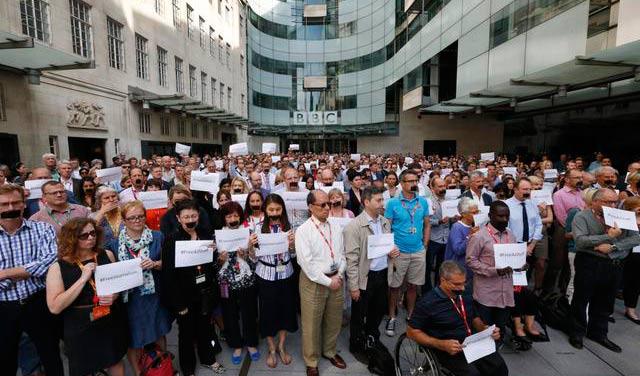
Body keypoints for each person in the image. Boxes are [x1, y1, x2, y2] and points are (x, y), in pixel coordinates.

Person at [45, 218, 127, 376]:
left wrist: (114, 296)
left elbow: (118, 285)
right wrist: (83, 278)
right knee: (83, 366)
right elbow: (55, 307)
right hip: (79, 324)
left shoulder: (107, 255)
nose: (91, 238)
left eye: (93, 233)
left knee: (115, 360)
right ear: (72, 238)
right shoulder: (58, 267)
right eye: (84, 235)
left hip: (109, 317)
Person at [0, 184, 64, 376]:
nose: (10, 208)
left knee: (50, 355)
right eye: (4, 204)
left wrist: (4, 274)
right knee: (5, 358)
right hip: (3, 306)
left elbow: (49, 263)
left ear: (23, 204)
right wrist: (28, 270)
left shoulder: (42, 229)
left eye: (15, 202)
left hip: (37, 301)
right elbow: (38, 267)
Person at [568, 188, 640, 352]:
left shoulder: (622, 216)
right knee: (581, 298)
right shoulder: (582, 216)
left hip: (613, 265)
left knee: (605, 301)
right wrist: (609, 236)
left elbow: (636, 238)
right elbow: (580, 241)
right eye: (607, 202)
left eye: (614, 201)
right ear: (595, 202)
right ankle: (576, 332)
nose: (612, 205)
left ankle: (599, 333)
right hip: (589, 262)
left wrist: (613, 246)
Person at [407, 261, 508, 376]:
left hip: (472, 342)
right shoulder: (427, 303)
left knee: (499, 367)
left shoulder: (465, 294)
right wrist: (441, 344)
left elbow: (474, 317)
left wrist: (485, 329)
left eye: (464, 283)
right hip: (447, 349)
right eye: (456, 284)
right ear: (443, 280)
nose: (462, 288)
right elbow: (411, 332)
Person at [161, 199, 224, 375]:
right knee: (186, 334)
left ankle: (208, 359)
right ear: (178, 218)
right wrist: (179, 305)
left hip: (205, 291)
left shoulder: (205, 233)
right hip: (184, 295)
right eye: (186, 216)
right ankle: (188, 369)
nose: (190, 219)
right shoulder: (171, 241)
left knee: (206, 328)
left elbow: (211, 265)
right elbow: (169, 276)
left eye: (193, 215)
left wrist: (215, 254)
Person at [111, 201, 172, 374]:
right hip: (130, 298)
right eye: (131, 217)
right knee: (134, 338)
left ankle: (163, 367)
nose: (137, 220)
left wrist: (155, 264)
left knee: (159, 331)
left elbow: (168, 263)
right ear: (124, 220)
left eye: (140, 216)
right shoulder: (115, 244)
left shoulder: (158, 236)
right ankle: (139, 372)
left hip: (154, 294)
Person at [296, 190, 348, 376]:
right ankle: (311, 360)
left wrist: (339, 274)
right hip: (315, 282)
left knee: (334, 320)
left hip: (336, 278)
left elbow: (341, 253)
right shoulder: (303, 231)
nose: (328, 208)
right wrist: (328, 281)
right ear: (310, 207)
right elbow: (306, 264)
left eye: (329, 204)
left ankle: (330, 351)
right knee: (311, 324)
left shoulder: (335, 225)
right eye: (323, 205)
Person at [344, 187, 399, 356]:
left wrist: (392, 251)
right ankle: (356, 344)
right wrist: (354, 286)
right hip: (364, 277)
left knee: (377, 311)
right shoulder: (354, 226)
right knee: (359, 314)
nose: (382, 204)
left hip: (382, 274)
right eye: (378, 200)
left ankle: (372, 337)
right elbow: (351, 259)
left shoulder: (384, 222)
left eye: (382, 200)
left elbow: (386, 246)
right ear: (366, 202)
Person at [466, 201, 521, 342]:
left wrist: (520, 264)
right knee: (484, 332)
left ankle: (495, 357)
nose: (504, 220)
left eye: (507, 216)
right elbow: (470, 261)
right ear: (490, 215)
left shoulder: (511, 235)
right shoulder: (479, 236)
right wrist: (493, 271)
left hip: (505, 293)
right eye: (500, 216)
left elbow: (514, 258)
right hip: (487, 293)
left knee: (499, 331)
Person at [253, 194, 298, 368]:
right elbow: (253, 258)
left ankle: (281, 345)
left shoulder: (289, 227)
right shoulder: (257, 228)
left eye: (278, 209)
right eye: (271, 209)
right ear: (265, 209)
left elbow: (293, 254)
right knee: (268, 312)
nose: (274, 213)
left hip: (286, 273)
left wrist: (293, 244)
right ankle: (271, 347)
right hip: (266, 275)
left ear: (282, 209)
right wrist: (250, 246)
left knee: (285, 310)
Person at [384, 169, 430, 336]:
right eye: (409, 181)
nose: (413, 184)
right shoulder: (392, 203)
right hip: (399, 252)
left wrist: (424, 245)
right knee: (395, 286)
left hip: (418, 251)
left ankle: (411, 316)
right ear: (401, 184)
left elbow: (427, 224)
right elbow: (386, 227)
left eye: (415, 180)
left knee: (413, 286)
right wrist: (389, 247)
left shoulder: (423, 202)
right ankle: (392, 316)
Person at [216, 201, 260, 364]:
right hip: (226, 280)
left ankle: (251, 343)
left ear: (240, 216)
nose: (233, 219)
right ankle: (236, 344)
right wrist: (220, 260)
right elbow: (214, 264)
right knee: (229, 313)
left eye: (235, 215)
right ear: (224, 218)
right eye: (229, 216)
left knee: (249, 311)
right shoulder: (219, 234)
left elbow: (256, 259)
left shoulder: (248, 232)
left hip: (245, 278)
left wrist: (247, 253)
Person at [547, 169, 585, 293]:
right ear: (567, 179)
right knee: (557, 263)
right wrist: (574, 230)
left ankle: (565, 292)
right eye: (576, 178)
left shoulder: (583, 193)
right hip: (562, 231)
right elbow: (561, 216)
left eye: (581, 177)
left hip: (579, 232)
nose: (580, 180)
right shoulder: (559, 194)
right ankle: (548, 292)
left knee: (570, 264)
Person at [425, 177, 453, 292]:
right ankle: (426, 291)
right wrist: (439, 221)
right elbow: (425, 220)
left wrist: (455, 218)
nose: (443, 189)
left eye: (444, 186)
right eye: (440, 187)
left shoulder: (449, 200)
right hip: (432, 238)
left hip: (446, 238)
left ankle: (439, 290)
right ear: (432, 188)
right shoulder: (427, 202)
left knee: (441, 267)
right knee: (428, 266)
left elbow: (453, 216)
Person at [504, 178, 543, 259]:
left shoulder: (533, 203)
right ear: (515, 189)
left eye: (529, 189)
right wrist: (517, 248)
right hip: (513, 245)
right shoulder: (506, 205)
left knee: (540, 264)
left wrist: (531, 245)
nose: (528, 192)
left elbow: (538, 224)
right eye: (525, 189)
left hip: (532, 243)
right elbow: (505, 229)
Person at [444, 197, 480, 276]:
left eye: (478, 212)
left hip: (471, 270)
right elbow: (458, 250)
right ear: (463, 214)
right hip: (457, 270)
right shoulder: (457, 227)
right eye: (474, 213)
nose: (477, 215)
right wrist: (470, 236)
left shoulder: (476, 226)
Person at [622, 196, 640, 324]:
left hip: (638, 254)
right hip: (626, 253)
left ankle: (630, 309)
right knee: (620, 281)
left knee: (635, 282)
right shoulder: (625, 218)